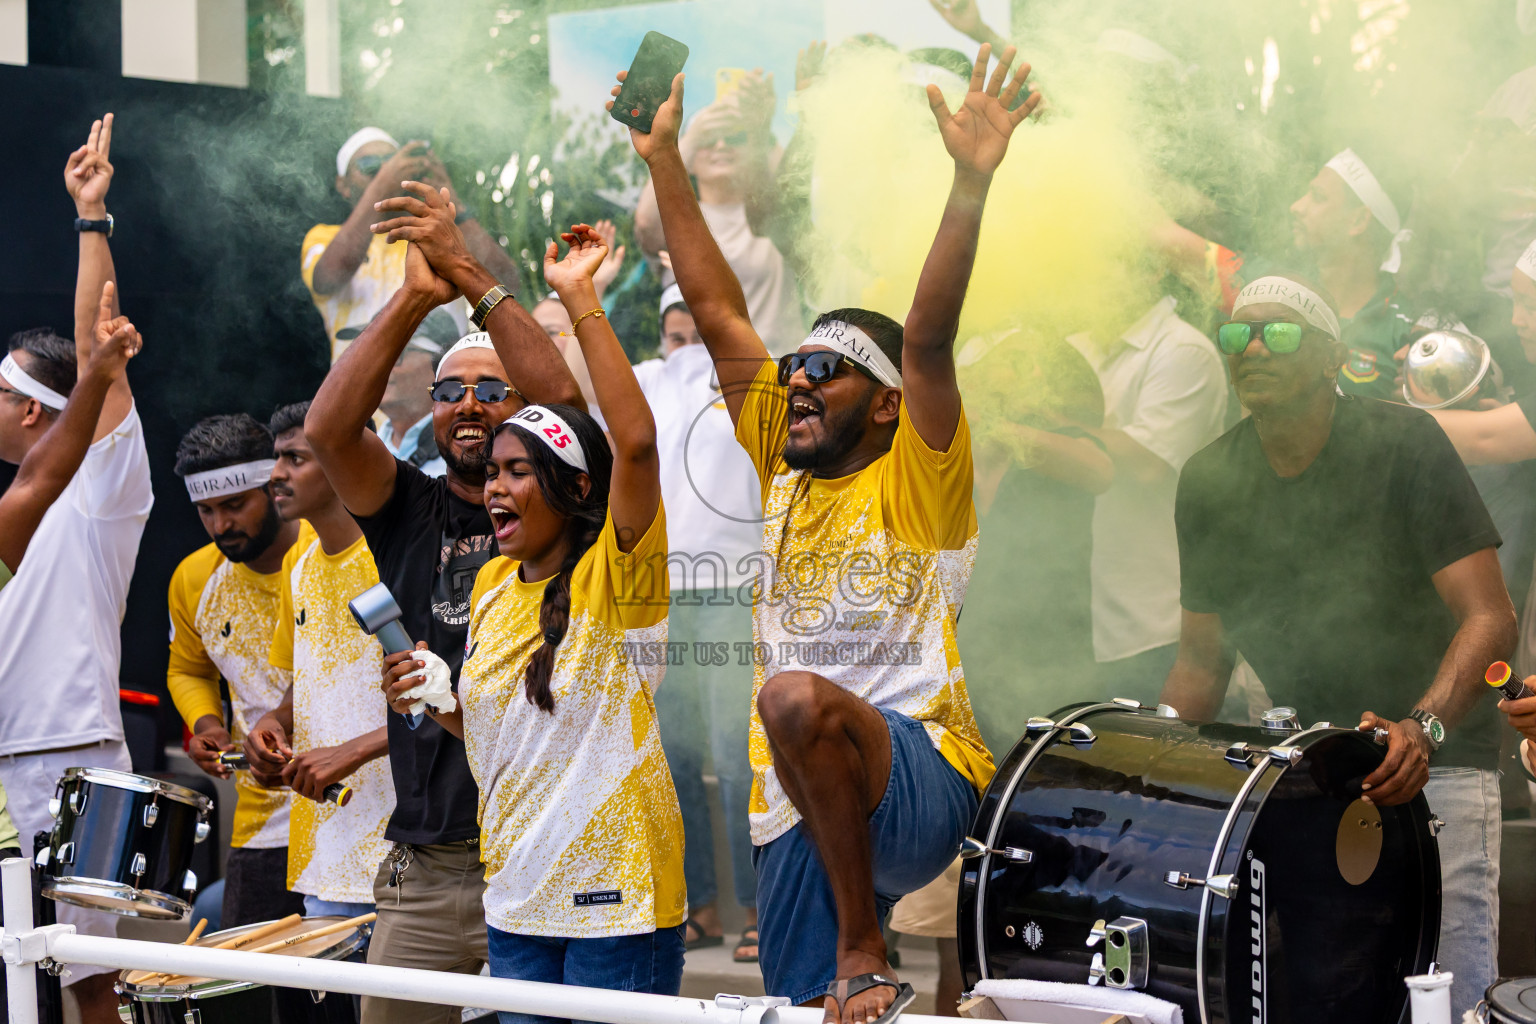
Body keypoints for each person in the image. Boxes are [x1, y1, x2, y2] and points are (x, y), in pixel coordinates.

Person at [619, 45, 1041, 1024]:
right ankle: (845, 964)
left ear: (889, 407)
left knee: (793, 696)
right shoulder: (776, 461)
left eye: (829, 370)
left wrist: (971, 178)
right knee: (809, 1015)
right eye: (793, 366)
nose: (796, 380)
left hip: (920, 776)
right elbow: (718, 306)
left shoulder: (920, 480)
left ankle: (865, 940)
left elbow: (928, 337)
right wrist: (662, 160)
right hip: (797, 800)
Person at [1161, 273, 1517, 1018]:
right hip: (1306, 784)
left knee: (1440, 1005)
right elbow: (1201, 664)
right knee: (1319, 1003)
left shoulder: (1404, 443)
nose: (1252, 346)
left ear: (1331, 358)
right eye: (1237, 333)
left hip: (1436, 770)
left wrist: (1426, 727)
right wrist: (1156, 779)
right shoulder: (1210, 479)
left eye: (1278, 332)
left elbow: (1490, 618)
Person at [382, 222, 683, 1024]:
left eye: (522, 473)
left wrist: (576, 297)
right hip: (515, 903)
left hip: (614, 905)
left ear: (575, 490)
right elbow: (498, 736)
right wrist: (434, 697)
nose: (498, 489)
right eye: (497, 474)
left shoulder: (620, 572)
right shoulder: (487, 585)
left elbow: (638, 444)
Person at [306, 176, 580, 1024]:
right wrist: (415, 295)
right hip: (426, 866)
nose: (469, 404)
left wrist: (467, 273)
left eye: (492, 390)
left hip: (535, 852)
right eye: (451, 390)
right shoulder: (408, 508)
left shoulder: (568, 512)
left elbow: (568, 406)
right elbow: (327, 432)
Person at [0, 113, 153, 1024]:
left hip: (77, 759)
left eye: (2, 388)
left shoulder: (100, 486)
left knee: (91, 984)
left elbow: (100, 342)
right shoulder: (11, 513)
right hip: (4, 763)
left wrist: (91, 220)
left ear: (38, 414)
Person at [633, 285, 763, 958]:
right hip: (663, 596)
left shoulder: (749, 383)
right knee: (677, 759)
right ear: (661, 336)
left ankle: (758, 910)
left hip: (733, 594)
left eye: (699, 332)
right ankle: (701, 906)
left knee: (738, 756)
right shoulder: (652, 381)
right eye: (675, 333)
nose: (687, 345)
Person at [240, 401, 393, 921]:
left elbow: (457, 700)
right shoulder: (299, 565)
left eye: (296, 459)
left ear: (346, 460)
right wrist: (272, 723)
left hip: (405, 861)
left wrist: (352, 751)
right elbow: (306, 683)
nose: (277, 474)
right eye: (276, 458)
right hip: (324, 860)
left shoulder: (398, 560)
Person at [167, 412, 307, 928]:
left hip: (358, 809)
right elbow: (187, 668)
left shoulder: (330, 551)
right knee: (263, 994)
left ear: (274, 485)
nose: (220, 525)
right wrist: (208, 726)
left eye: (233, 504)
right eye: (205, 510)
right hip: (262, 823)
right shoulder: (194, 576)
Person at [1155, 147, 1417, 398]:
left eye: (1318, 197)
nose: (1297, 206)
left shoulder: (1408, 331)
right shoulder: (1267, 289)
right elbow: (1161, 236)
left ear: (1358, 221)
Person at [1069, 298, 1227, 702]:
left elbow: (1148, 463)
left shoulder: (1182, 350)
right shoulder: (1074, 347)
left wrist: (1039, 426)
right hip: (1080, 618)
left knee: (1144, 762)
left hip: (1154, 624)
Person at [301, 127, 520, 360]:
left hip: (442, 389)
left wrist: (451, 202)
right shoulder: (323, 237)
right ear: (343, 185)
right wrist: (383, 185)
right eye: (370, 165)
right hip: (357, 387)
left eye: (393, 163)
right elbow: (329, 277)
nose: (386, 171)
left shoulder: (437, 232)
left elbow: (508, 285)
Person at [635, 77, 805, 355]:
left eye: (735, 137)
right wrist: (687, 139)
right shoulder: (678, 219)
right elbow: (646, 224)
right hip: (696, 377)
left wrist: (761, 130)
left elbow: (792, 184)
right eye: (709, 138)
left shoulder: (767, 214)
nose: (721, 145)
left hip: (777, 368)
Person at [379, 308, 461, 476]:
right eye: (376, 353)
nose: (381, 365)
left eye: (397, 353)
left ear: (440, 365)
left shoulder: (468, 455)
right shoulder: (363, 446)